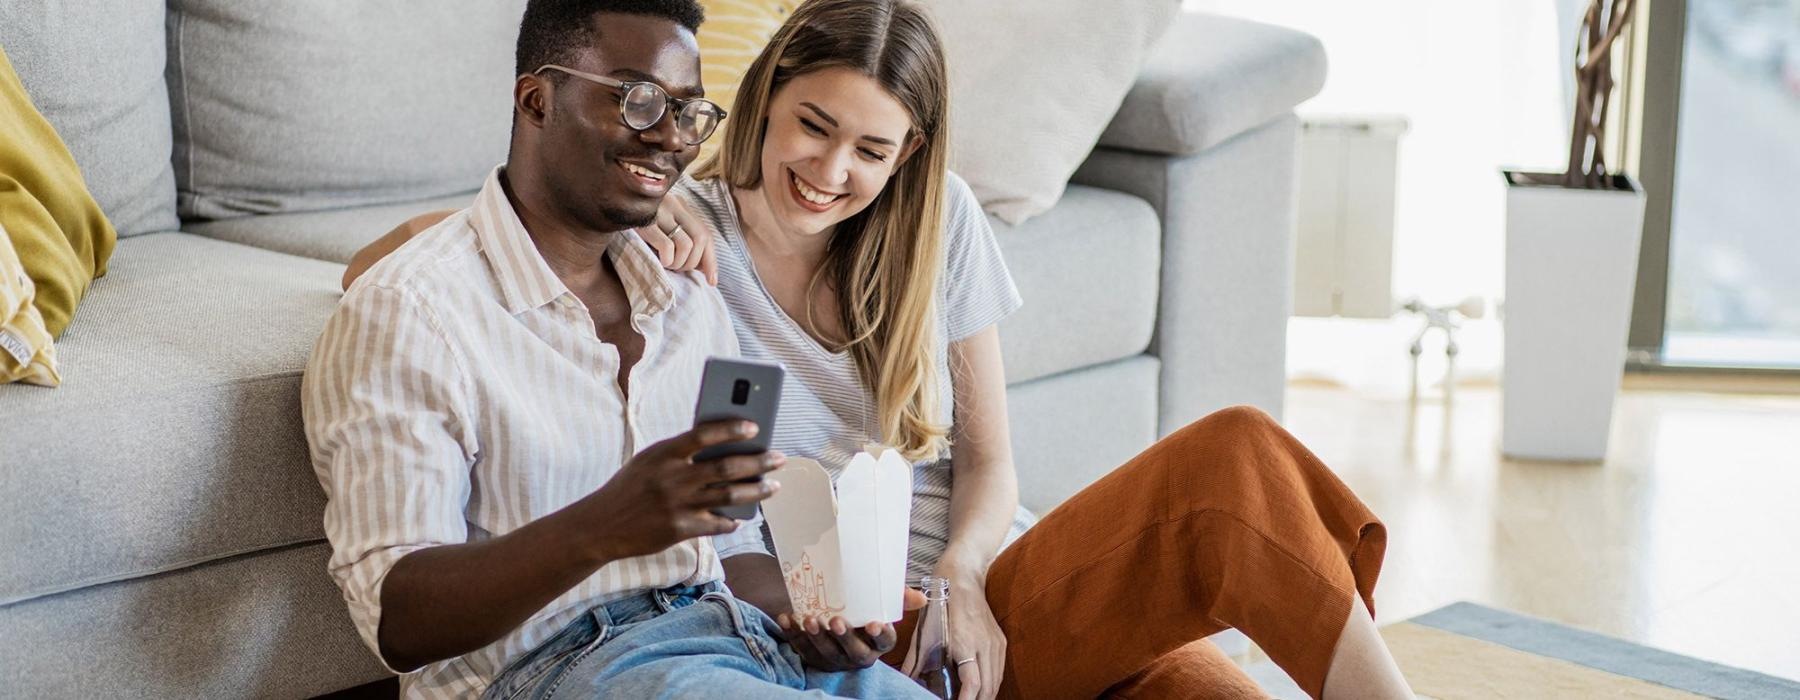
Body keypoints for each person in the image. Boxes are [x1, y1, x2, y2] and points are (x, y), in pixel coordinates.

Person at [347, 1, 1414, 697]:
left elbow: (992, 463)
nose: (832, 170)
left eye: (873, 148)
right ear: (764, 101)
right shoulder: (677, 236)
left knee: (1207, 679)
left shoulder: (934, 221)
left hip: (982, 586)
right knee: (1224, 475)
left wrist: (963, 578)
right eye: (813, 125)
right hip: (857, 619)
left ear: (908, 157)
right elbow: (427, 257)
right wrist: (660, 211)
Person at [302, 1, 938, 697]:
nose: (671, 138)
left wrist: (806, 615)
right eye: (638, 101)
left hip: (737, 639)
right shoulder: (411, 313)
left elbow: (728, 546)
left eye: (688, 112)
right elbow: (396, 621)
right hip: (550, 669)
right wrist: (607, 524)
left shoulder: (690, 299)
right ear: (537, 99)